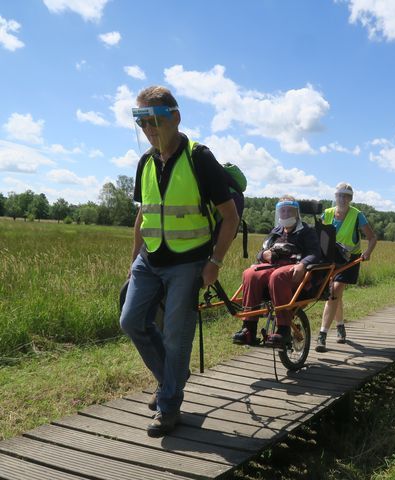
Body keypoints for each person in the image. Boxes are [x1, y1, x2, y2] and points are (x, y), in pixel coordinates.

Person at [120, 86, 239, 438]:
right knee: (131, 321)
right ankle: (172, 379)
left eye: (154, 119)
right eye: (140, 121)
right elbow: (143, 216)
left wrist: (214, 262)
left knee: (175, 335)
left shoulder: (199, 157)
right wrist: (133, 263)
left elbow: (229, 217)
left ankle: (169, 405)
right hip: (149, 259)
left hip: (189, 262)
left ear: (175, 116)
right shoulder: (145, 162)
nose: (148, 128)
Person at [233, 196, 321, 348]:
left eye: (289, 210)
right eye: (283, 210)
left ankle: (283, 330)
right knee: (250, 273)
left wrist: (303, 265)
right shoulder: (276, 231)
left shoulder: (306, 231)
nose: (285, 214)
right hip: (273, 265)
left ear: (296, 213)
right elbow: (261, 252)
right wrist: (264, 255)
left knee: (277, 276)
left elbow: (315, 253)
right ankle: (249, 328)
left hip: (294, 269)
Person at [315, 183, 377, 353]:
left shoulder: (357, 215)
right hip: (330, 259)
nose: (342, 199)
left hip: (349, 260)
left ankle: (322, 335)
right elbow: (317, 235)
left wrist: (368, 252)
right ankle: (341, 326)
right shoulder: (327, 214)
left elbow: (372, 238)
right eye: (339, 195)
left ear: (350, 198)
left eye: (346, 196)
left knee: (334, 291)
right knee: (336, 295)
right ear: (335, 197)